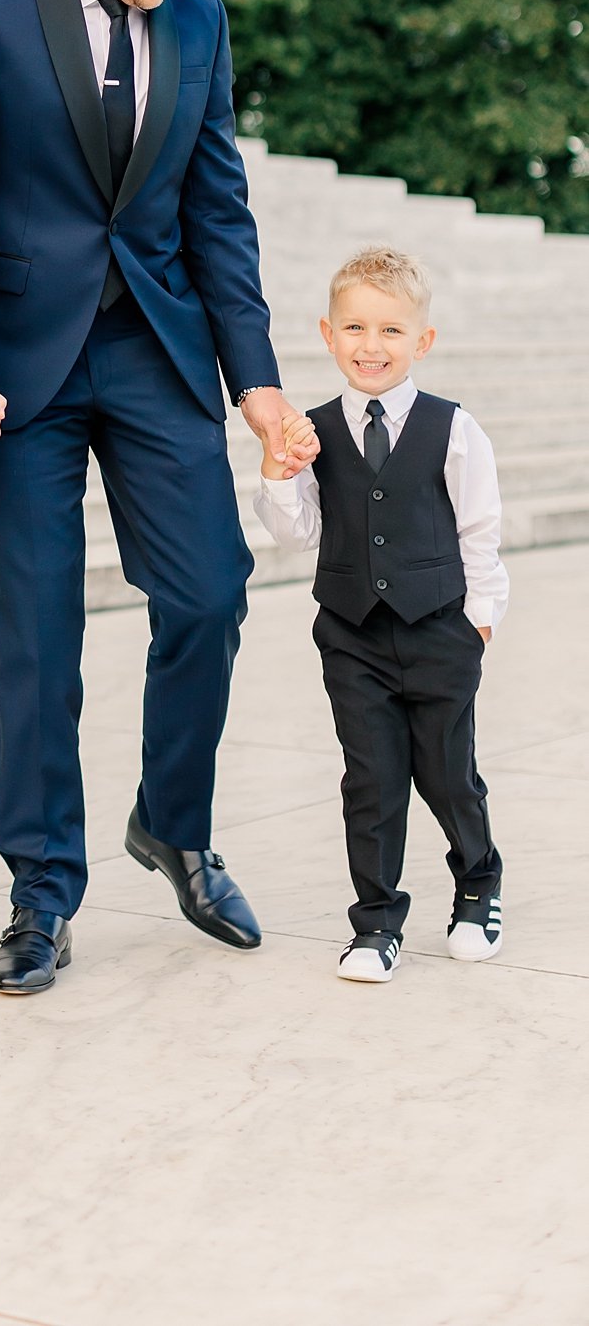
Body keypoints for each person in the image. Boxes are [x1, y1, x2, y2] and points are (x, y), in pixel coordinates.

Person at [0, 0, 312, 995]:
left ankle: (173, 825)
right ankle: (41, 892)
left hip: (154, 349)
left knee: (211, 593)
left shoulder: (200, 18)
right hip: (12, 365)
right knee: (36, 635)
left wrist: (260, 384)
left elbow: (218, 208)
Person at [254, 244, 507, 983]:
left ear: (422, 342)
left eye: (391, 331)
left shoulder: (453, 429)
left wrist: (479, 622)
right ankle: (375, 922)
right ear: (329, 335)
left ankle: (478, 884)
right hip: (352, 636)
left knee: (446, 773)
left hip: (440, 630)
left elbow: (479, 531)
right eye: (356, 329)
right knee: (370, 779)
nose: (372, 346)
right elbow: (297, 532)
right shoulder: (312, 430)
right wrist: (277, 469)